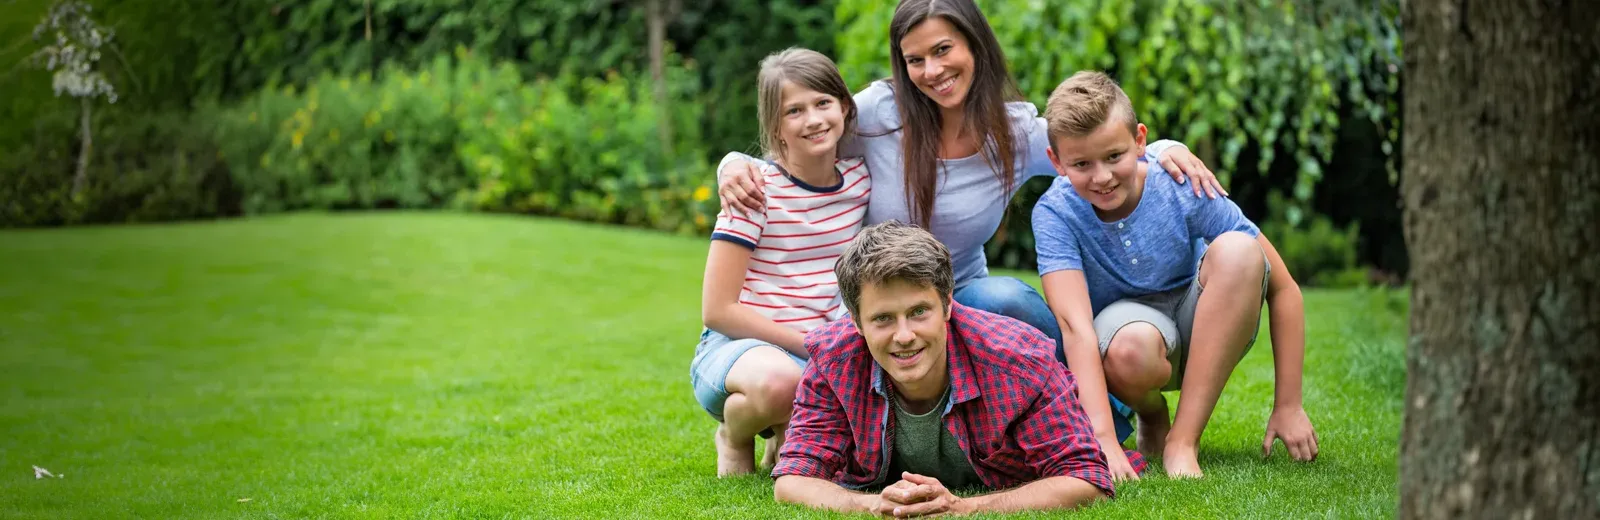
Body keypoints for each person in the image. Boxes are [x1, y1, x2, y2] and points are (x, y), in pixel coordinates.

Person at [715, 0, 1224, 448]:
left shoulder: (1015, 132)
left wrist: (1161, 149)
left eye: (943, 50)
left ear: (975, 45)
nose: (932, 70)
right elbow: (803, 137)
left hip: (966, 293)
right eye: (915, 60)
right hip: (886, 300)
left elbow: (1095, 144)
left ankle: (1103, 422)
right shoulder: (877, 114)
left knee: (1001, 299)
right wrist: (733, 162)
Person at [1032, 70, 1320, 480]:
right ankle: (1151, 414)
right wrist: (1104, 439)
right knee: (1129, 350)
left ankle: (1183, 441)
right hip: (1130, 339)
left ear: (1140, 141)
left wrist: (1288, 404)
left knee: (1241, 251)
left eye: (1114, 156)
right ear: (1057, 162)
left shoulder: (1182, 182)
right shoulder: (1054, 214)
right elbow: (1075, 327)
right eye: (1081, 164)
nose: (1102, 177)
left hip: (1206, 317)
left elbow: (1285, 287)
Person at [772, 221, 1133, 517]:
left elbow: (1086, 479)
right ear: (856, 322)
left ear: (946, 305)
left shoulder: (1017, 360)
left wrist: (965, 508)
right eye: (882, 318)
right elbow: (793, 480)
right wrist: (870, 504)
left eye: (918, 312)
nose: (904, 335)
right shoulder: (834, 360)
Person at [690, 48, 872, 477]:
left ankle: (788, 432)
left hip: (819, 351)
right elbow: (718, 311)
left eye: (823, 103)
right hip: (738, 350)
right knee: (780, 383)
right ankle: (734, 436)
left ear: (845, 107)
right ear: (776, 127)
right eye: (795, 110)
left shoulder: (860, 181)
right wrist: (807, 343)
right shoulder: (753, 192)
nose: (813, 119)